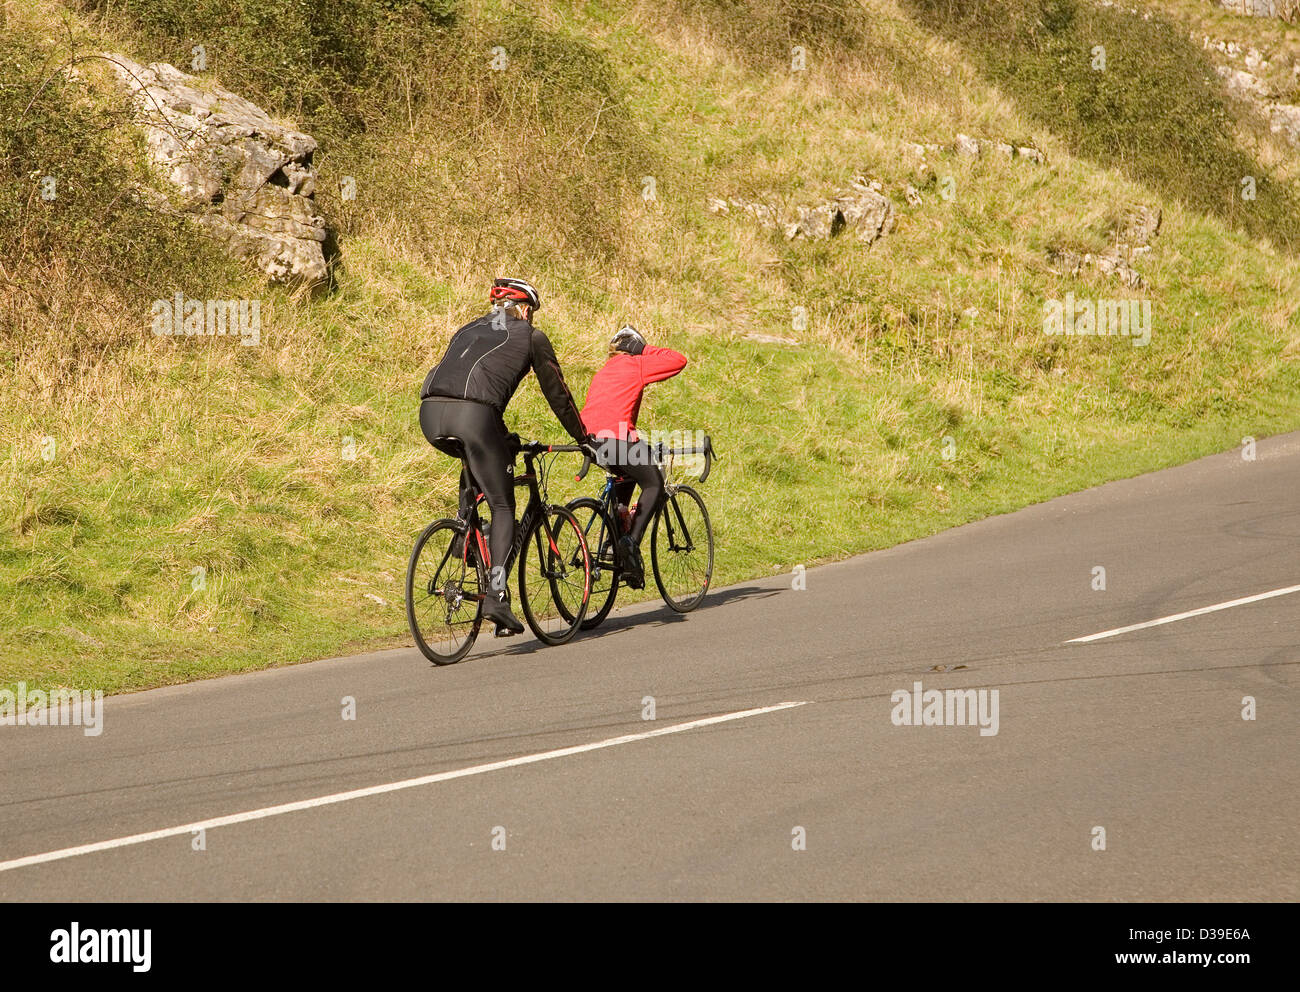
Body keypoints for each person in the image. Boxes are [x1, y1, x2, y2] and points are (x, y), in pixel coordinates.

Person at [420, 278, 595, 635]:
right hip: (474, 417)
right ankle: (496, 597)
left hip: (430, 413)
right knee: (503, 506)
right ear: (525, 310)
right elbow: (557, 394)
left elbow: (466, 380)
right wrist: (583, 438)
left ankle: (465, 531)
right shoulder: (531, 336)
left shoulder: (468, 329)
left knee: (476, 458)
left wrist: (502, 437)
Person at [579, 326, 687, 589]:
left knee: (627, 473)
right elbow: (678, 360)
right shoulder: (635, 364)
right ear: (633, 348)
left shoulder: (603, 371)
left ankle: (613, 541)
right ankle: (631, 544)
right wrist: (644, 351)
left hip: (589, 440)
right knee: (653, 483)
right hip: (616, 439)